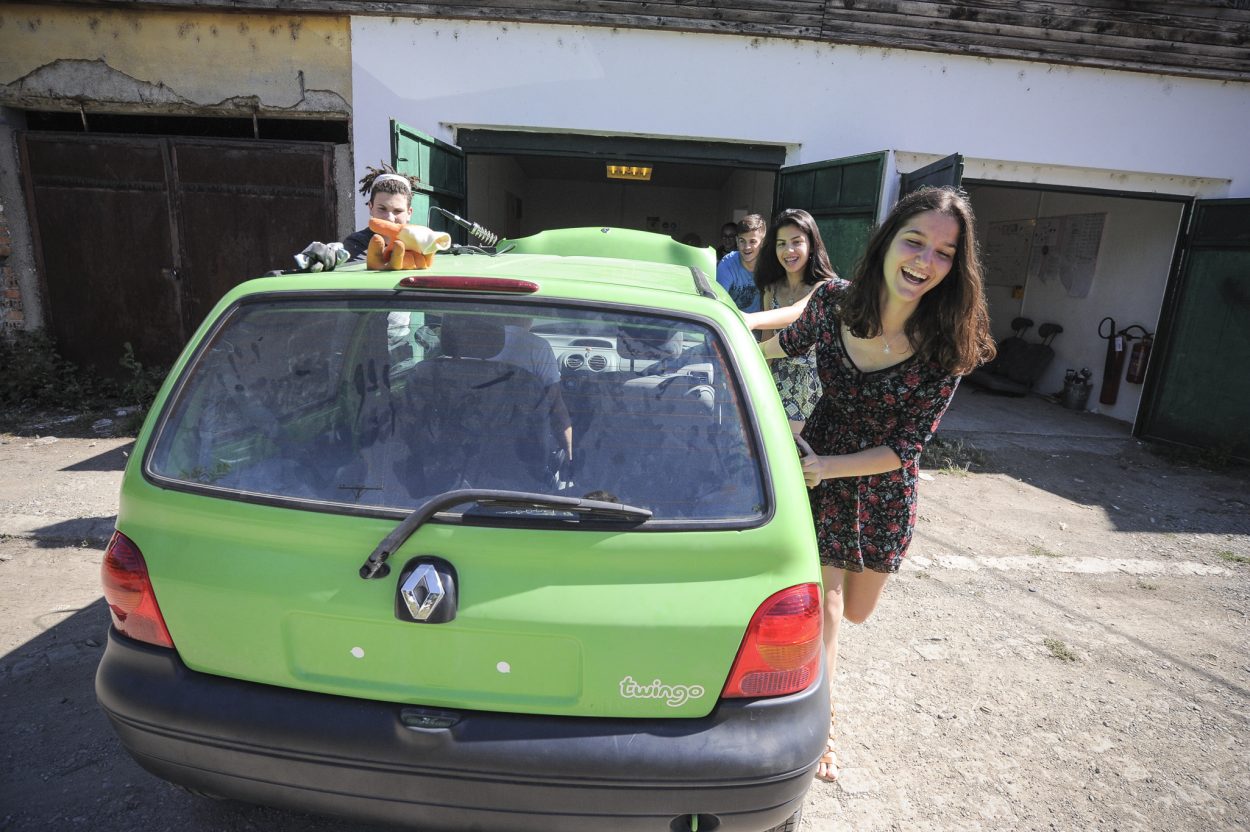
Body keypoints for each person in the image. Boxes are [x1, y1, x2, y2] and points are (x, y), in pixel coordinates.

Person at [757, 186, 995, 783]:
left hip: (880, 484)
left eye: (944, 251)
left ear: (955, 266)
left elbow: (907, 448)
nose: (924, 260)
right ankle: (821, 729)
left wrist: (828, 466)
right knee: (827, 607)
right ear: (888, 240)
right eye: (915, 240)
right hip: (817, 467)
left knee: (858, 611)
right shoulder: (835, 301)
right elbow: (780, 345)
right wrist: (719, 350)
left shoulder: (947, 345)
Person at [751, 208, 837, 432]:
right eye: (781, 243)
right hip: (777, 381)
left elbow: (802, 312)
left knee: (802, 457)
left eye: (796, 242)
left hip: (815, 386)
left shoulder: (826, 286)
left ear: (812, 245)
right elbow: (767, 339)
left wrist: (749, 319)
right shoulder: (771, 287)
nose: (788, 250)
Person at [715, 213, 766, 313]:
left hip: (759, 323)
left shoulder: (768, 265)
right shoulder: (727, 264)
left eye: (752, 241)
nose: (746, 247)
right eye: (742, 241)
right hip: (731, 321)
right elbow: (718, 303)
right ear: (737, 241)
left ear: (762, 242)